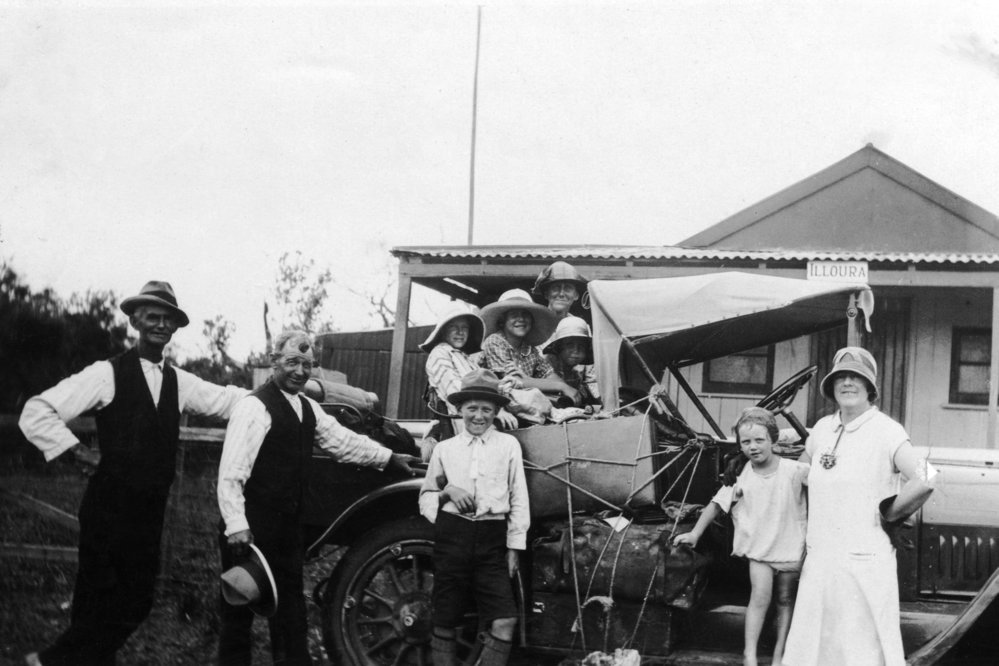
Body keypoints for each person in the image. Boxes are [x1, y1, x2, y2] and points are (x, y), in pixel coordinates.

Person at [18, 280, 249, 666]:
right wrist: (76, 452)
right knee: (96, 600)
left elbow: (227, 399)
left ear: (175, 328)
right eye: (152, 317)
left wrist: (279, 392)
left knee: (138, 602)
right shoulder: (106, 373)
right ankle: (55, 661)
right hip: (108, 508)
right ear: (135, 321)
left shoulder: (180, 382)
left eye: (168, 319)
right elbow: (37, 411)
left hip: (149, 511)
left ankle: (58, 661)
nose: (160, 325)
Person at [216, 330, 419, 665]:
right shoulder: (253, 408)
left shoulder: (308, 407)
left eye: (307, 365)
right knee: (239, 614)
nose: (299, 371)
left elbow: (343, 442)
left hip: (288, 528)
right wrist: (237, 526)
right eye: (292, 362)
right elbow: (231, 475)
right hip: (251, 529)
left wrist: (388, 458)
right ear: (274, 361)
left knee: (291, 613)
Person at [783, 347, 936, 666]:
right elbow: (801, 474)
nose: (848, 383)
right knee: (815, 648)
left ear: (870, 387)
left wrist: (892, 513)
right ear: (832, 386)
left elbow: (926, 477)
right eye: (841, 377)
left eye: (856, 377)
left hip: (864, 563)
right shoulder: (821, 429)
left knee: (860, 650)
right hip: (821, 560)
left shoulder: (886, 430)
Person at [674, 407, 808, 666]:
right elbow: (715, 504)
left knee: (785, 599)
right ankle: (750, 654)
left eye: (760, 440)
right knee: (759, 597)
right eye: (746, 442)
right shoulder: (740, 475)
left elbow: (827, 482)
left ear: (773, 440)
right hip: (758, 547)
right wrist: (694, 533)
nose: (753, 447)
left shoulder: (794, 470)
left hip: (790, 544)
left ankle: (780, 654)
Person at [419, 368, 530, 666]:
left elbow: (519, 498)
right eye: (472, 409)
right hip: (452, 536)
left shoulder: (508, 446)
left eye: (486, 409)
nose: (478, 416)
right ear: (459, 410)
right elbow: (427, 497)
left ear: (496, 411)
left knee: (505, 619)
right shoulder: (445, 449)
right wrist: (448, 492)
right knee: (445, 620)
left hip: (491, 541)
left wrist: (514, 547)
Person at [421, 305, 518, 434]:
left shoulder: (465, 357)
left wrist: (504, 384)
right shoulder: (440, 354)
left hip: (481, 414)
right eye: (453, 327)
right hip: (463, 420)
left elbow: (482, 386)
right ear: (443, 331)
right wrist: (497, 411)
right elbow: (455, 393)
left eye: (464, 328)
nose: (460, 332)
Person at [478, 288, 581, 406]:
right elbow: (511, 382)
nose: (521, 319)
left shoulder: (530, 350)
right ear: (503, 320)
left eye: (525, 315)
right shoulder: (495, 341)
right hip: (494, 406)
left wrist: (528, 380)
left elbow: (552, 376)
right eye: (514, 315)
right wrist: (560, 386)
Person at [542, 316, 601, 408]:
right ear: (559, 347)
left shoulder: (581, 369)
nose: (575, 351)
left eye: (581, 346)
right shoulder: (546, 363)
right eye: (569, 345)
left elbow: (593, 383)